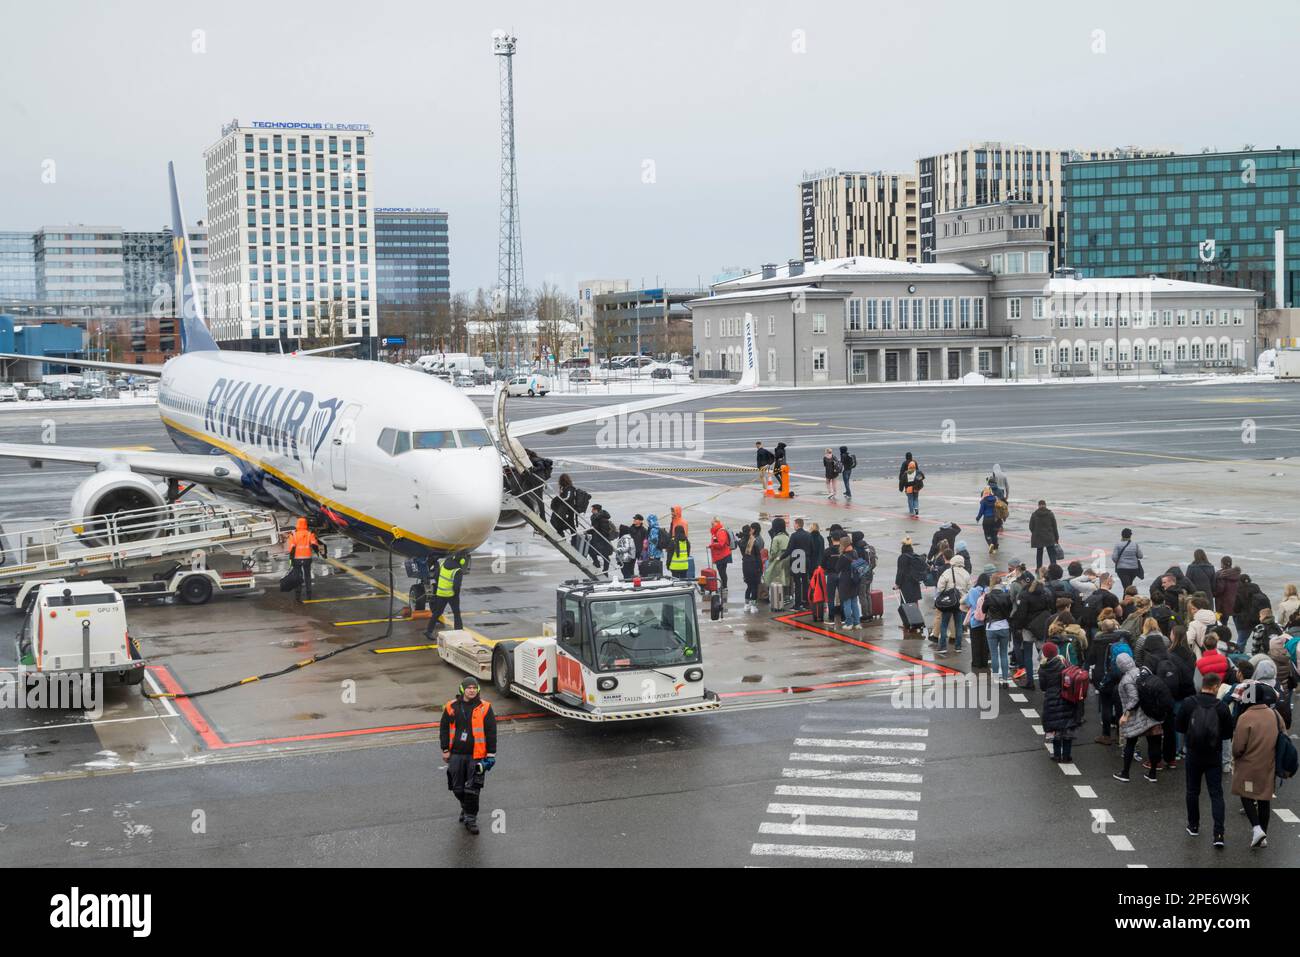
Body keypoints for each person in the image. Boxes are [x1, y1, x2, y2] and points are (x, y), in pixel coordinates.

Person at [1177, 671, 1234, 847]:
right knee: (1216, 794)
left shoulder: (1189, 703)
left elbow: (1179, 726)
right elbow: (1227, 734)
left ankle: (1193, 825)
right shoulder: (1221, 707)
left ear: (1203, 685)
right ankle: (1218, 834)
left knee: (1192, 791)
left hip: (1193, 754)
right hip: (1213, 756)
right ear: (1215, 686)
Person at [439, 676, 497, 836]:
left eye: (474, 688)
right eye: (469, 688)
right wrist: (445, 749)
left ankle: (471, 819)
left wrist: (491, 754)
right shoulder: (451, 707)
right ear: (462, 689)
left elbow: (491, 732)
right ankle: (465, 808)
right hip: (456, 755)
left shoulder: (485, 707)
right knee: (457, 788)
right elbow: (444, 728)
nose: (472, 690)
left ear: (478, 690)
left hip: (477, 756)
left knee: (472, 789)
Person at [1231, 680, 1282, 848]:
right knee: (1264, 799)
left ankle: (1257, 828)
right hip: (1269, 763)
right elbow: (1284, 736)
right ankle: (1263, 836)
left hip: (1248, 765)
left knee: (1246, 794)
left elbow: (1238, 747)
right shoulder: (1274, 714)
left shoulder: (1245, 718)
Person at [1113, 653, 1165, 783]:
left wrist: (1125, 715)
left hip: (1136, 717)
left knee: (1130, 744)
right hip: (1153, 713)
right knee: (1154, 743)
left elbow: (1134, 699)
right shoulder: (1143, 671)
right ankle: (1152, 773)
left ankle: (1125, 773)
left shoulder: (1126, 680)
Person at [1040, 641, 1083, 763]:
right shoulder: (1064, 664)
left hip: (1051, 700)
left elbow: (1043, 687)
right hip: (1067, 697)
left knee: (1055, 728)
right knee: (1067, 728)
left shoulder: (1043, 668)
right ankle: (1067, 755)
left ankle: (1057, 754)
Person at [424, 552, 468, 637]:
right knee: (456, 614)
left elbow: (436, 576)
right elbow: (456, 586)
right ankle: (459, 633)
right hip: (452, 595)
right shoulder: (457, 570)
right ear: (461, 561)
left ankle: (429, 631)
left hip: (441, 593)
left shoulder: (443, 563)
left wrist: (441, 586)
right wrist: (456, 594)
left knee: (437, 612)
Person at [935, 555, 970, 657]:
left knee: (944, 623)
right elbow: (969, 588)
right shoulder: (966, 574)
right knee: (958, 624)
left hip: (949, 601)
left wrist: (945, 592)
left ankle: (942, 646)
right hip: (960, 602)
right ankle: (958, 646)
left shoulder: (947, 572)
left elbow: (940, 587)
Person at [285, 517, 324, 601]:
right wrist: (318, 552)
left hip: (296, 559)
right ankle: (309, 594)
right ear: (306, 524)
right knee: (307, 576)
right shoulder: (309, 534)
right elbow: (314, 545)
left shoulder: (293, 535)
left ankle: (297, 596)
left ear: (297, 524)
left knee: (298, 577)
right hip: (307, 558)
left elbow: (292, 549)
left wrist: (290, 560)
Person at [964, 572, 991, 670]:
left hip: (975, 620)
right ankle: (984, 662)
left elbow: (967, 602)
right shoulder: (988, 590)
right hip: (986, 620)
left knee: (975, 642)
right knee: (984, 642)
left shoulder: (972, 590)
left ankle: (976, 662)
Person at [763, 517, 791, 610]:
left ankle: (774, 598)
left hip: (778, 561)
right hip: (787, 560)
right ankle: (787, 597)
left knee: (772, 578)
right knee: (786, 578)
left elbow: (773, 552)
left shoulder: (776, 538)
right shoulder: (787, 536)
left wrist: (770, 560)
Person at [787, 518, 813, 611]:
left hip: (797, 560)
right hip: (806, 560)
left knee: (797, 583)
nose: (793, 526)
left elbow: (789, 549)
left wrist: (781, 557)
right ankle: (806, 603)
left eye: (794, 524)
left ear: (797, 525)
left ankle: (797, 605)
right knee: (805, 582)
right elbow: (812, 548)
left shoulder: (794, 535)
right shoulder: (808, 535)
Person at [895, 536, 927, 607]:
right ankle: (916, 616)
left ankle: (909, 617)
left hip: (906, 584)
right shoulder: (914, 556)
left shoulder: (902, 557)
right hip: (915, 582)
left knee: (906, 604)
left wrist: (897, 584)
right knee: (915, 602)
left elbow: (900, 572)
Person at [1028, 500, 1060, 572]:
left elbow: (1031, 527)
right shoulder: (1050, 514)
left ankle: (1039, 568)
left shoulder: (1034, 514)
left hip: (1038, 537)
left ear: (1038, 505)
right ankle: (1053, 568)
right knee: (1051, 553)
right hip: (1049, 537)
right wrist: (1056, 538)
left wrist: (1036, 533)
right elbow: (1055, 527)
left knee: (1039, 553)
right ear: (1045, 505)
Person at [837, 541, 862, 630]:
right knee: (854, 603)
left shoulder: (843, 557)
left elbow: (837, 568)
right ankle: (857, 623)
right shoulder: (855, 553)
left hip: (845, 581)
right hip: (855, 580)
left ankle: (849, 623)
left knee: (847, 603)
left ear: (844, 546)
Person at [740, 523, 765, 613]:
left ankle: (746, 605)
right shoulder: (753, 542)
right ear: (750, 531)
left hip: (745, 565)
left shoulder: (741, 542)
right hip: (754, 566)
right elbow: (758, 557)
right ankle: (753, 606)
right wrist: (760, 568)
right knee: (754, 586)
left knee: (749, 586)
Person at [708, 517, 733, 592]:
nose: (711, 525)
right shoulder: (717, 531)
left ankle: (724, 587)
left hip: (722, 556)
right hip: (721, 555)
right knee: (722, 572)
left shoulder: (720, 531)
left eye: (712, 524)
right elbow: (718, 542)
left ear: (717, 523)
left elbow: (721, 544)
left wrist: (712, 545)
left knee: (722, 572)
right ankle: (723, 586)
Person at [1214, 557, 1241, 621]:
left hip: (1221, 603)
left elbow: (1220, 589)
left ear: (1222, 563)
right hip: (1232, 602)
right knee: (1225, 620)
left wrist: (1213, 593)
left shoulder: (1221, 574)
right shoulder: (1237, 574)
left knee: (1219, 621)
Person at [976, 487, 1000, 555]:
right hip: (995, 519)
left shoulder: (984, 500)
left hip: (987, 519)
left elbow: (981, 511)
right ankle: (995, 546)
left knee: (987, 534)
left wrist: (978, 518)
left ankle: (990, 544)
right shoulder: (995, 498)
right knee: (994, 533)